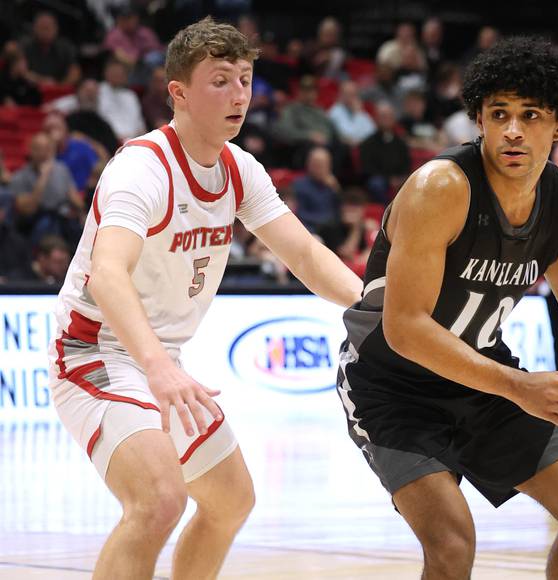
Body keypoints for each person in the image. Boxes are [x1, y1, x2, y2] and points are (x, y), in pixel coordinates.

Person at [336, 37, 558, 579]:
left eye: (530, 115)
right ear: (480, 121)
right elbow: (405, 329)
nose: (513, 130)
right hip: (391, 386)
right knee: (451, 544)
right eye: (499, 115)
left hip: (480, 374)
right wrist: (520, 387)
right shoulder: (439, 188)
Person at [47, 17, 362, 580]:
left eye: (244, 79)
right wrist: (159, 367)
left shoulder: (240, 169)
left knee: (230, 501)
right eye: (221, 80)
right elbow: (107, 275)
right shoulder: (142, 167)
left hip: (162, 361)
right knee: (158, 503)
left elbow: (307, 257)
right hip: (95, 354)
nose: (239, 93)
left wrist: (374, 311)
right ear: (179, 93)